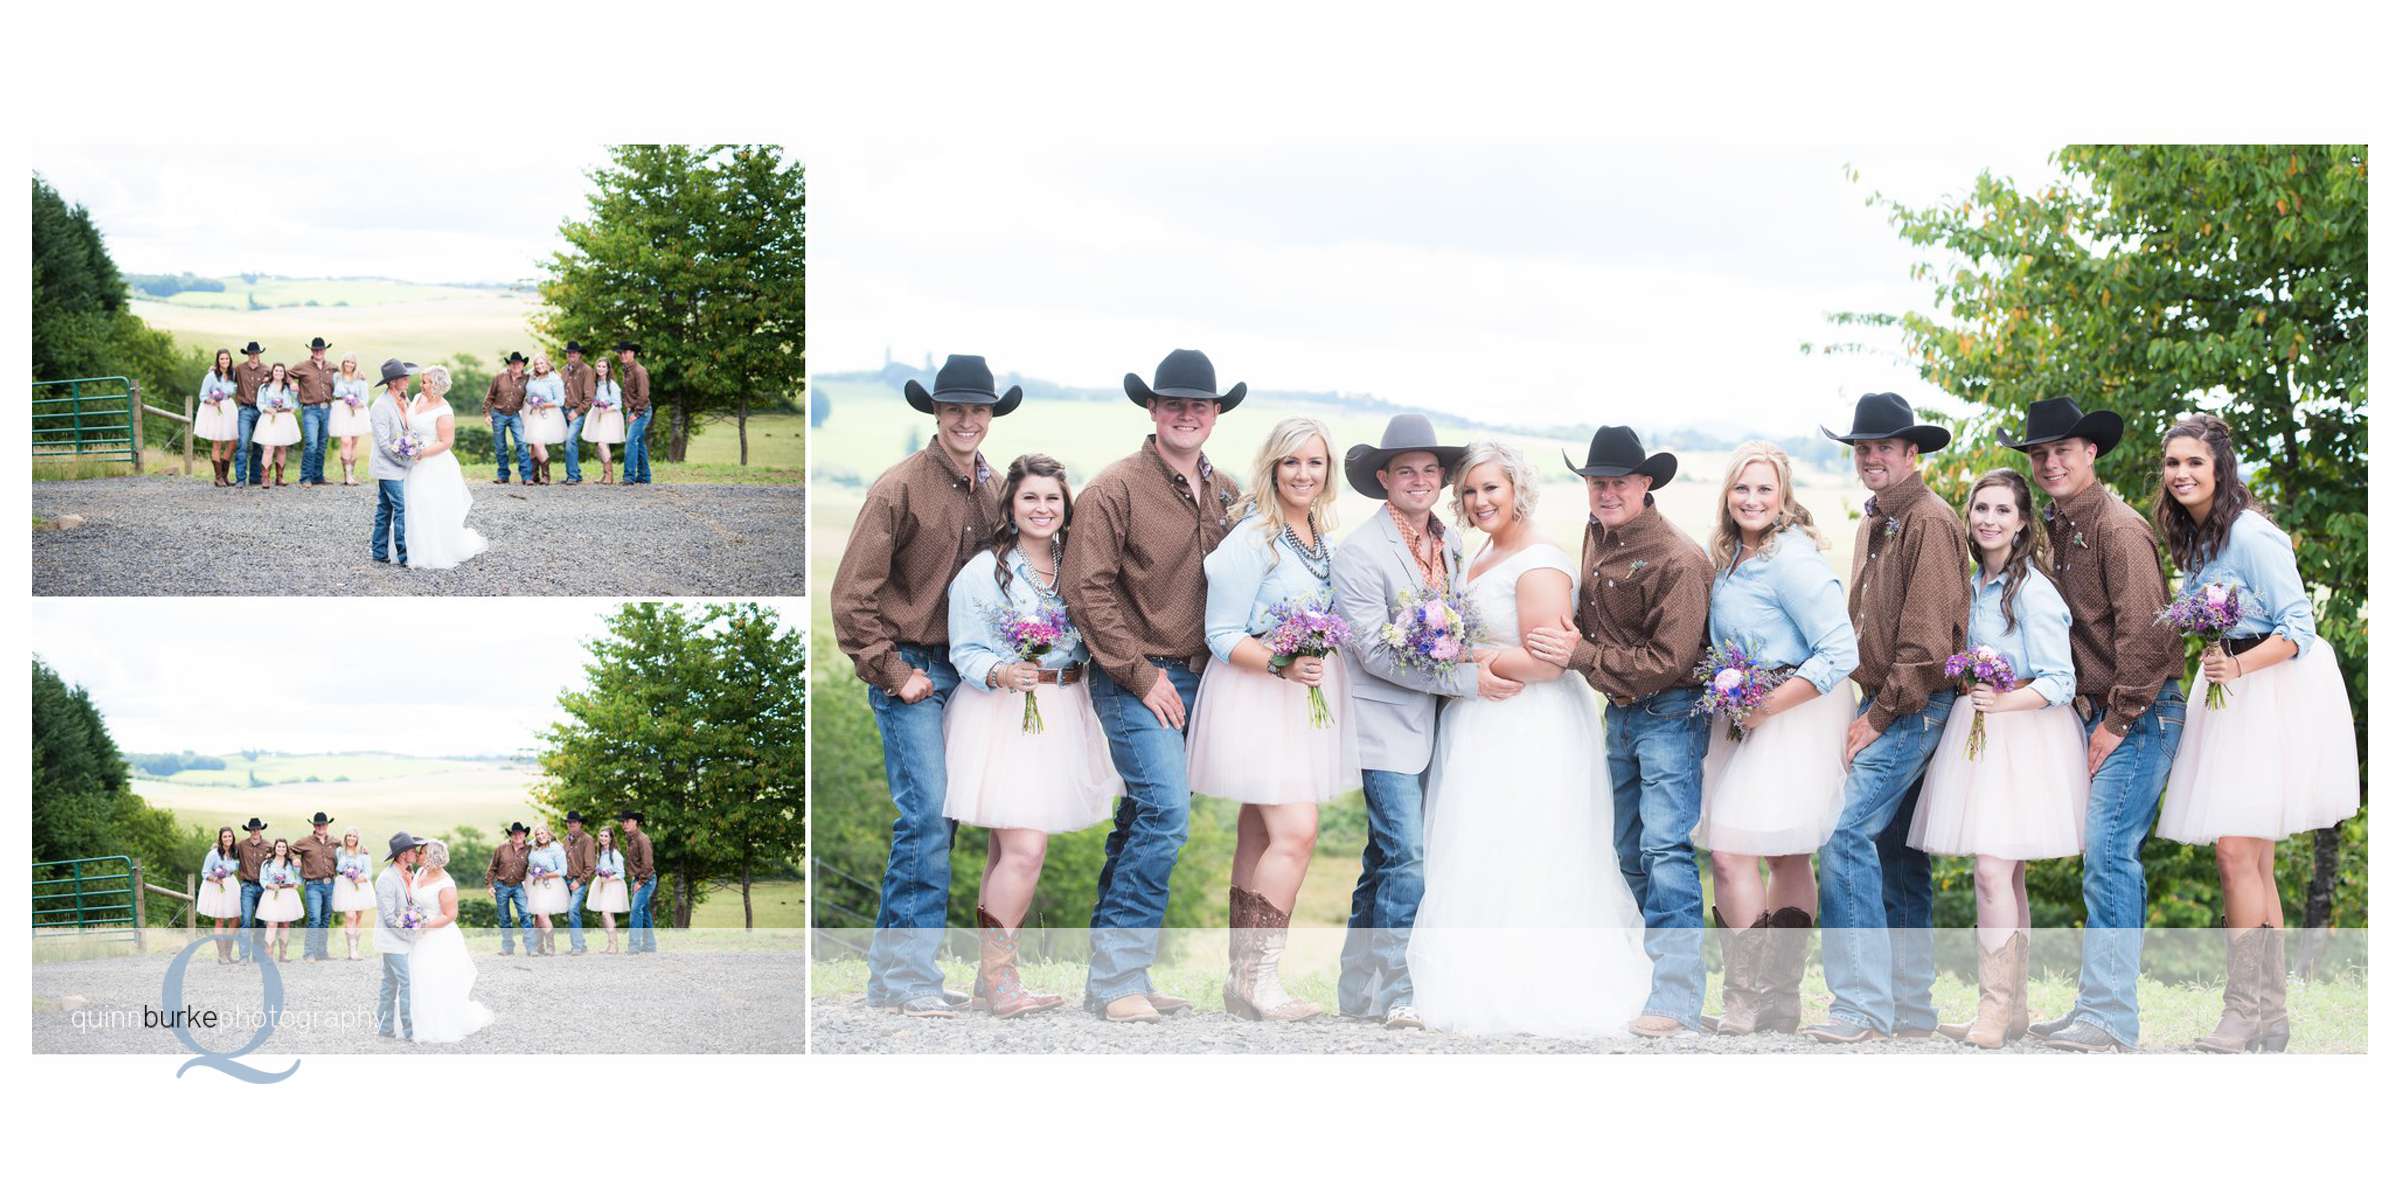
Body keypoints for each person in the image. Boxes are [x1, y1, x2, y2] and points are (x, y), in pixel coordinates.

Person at [1407, 441, 1652, 1036]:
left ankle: (1537, 983)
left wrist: (1463, 652)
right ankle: (1473, 978)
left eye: (1491, 487)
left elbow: (1547, 663)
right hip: (1480, 719)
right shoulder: (1479, 554)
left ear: (1517, 489)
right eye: (1468, 490)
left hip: (1529, 725)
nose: (1479, 500)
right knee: (1478, 842)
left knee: (1530, 843)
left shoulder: (1539, 561)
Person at [2151, 412, 2359, 1053]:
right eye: (2172, 463)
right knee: (2255, 860)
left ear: (2219, 468)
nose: (2181, 474)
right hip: (2230, 689)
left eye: (2193, 462)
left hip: (2269, 689)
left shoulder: (2252, 534)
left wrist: (2237, 663)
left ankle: (2241, 1013)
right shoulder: (2198, 537)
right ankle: (2271, 1017)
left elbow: (2299, 627)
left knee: (2235, 852)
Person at [1061, 348, 1247, 1023]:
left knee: (1143, 819)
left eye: (1200, 403)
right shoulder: (1115, 488)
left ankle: (1115, 973)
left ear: (1216, 414)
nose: (1187, 413)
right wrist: (1140, 676)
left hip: (1205, 681)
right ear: (1152, 409)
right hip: (1137, 678)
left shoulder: (1227, 492)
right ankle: (1117, 982)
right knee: (1166, 818)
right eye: (1174, 402)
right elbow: (1087, 591)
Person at [828, 354, 1012, 1015]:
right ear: (935, 413)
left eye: (979, 409)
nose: (968, 420)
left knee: (952, 819)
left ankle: (904, 973)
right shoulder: (898, 488)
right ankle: (904, 980)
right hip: (911, 670)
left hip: (969, 675)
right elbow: (851, 596)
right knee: (926, 817)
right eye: (955, 408)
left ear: (991, 416)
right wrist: (894, 673)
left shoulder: (995, 488)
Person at [2003, 397, 2187, 1053]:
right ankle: (2096, 1006)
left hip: (2140, 712)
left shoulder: (2117, 528)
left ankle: (2111, 1018)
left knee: (2110, 854)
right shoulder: (2052, 524)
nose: (2050, 462)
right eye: (2039, 453)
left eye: (2063, 450)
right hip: (2100, 711)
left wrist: (2115, 720)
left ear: (2091, 453)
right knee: (2101, 855)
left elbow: (2148, 634)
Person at [1524, 426, 1712, 1038]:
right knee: (1626, 851)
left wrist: (1580, 655)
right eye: (1596, 482)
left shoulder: (1678, 559)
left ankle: (1678, 998)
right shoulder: (1595, 535)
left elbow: (1669, 662)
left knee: (1665, 851)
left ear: (1646, 484)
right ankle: (1637, 978)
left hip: (1670, 715)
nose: (1606, 492)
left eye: (1618, 482)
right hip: (1622, 715)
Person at [1801, 393, 1971, 1044]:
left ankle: (1861, 1008)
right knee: (1896, 855)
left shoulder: (1928, 519)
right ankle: (1908, 1009)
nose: (1870, 456)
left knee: (1845, 836)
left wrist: (1877, 717)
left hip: (1913, 706)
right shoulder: (1877, 522)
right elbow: (1861, 621)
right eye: (1861, 447)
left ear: (1912, 453)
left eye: (1883, 447)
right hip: (1889, 700)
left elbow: (1927, 644)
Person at [1189, 416, 1361, 1022]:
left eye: (1315, 463)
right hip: (1258, 695)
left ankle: (1242, 982)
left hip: (1304, 700)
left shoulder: (1322, 538)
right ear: (1272, 469)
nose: (1304, 474)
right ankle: (1261, 980)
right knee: (1297, 830)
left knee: (1261, 834)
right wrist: (1282, 665)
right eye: (1292, 462)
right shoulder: (1251, 540)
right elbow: (1220, 633)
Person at [1907, 468, 2085, 1047]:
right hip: (1979, 733)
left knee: (1991, 868)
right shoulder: (1970, 584)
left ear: (2023, 521)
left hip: (2026, 735)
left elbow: (2061, 680)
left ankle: (1994, 1009)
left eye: (2003, 510)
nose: (1988, 519)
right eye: (1980, 508)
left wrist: (2003, 699)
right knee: (2004, 873)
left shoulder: (2034, 592)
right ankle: (2013, 1011)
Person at [942, 453, 1121, 1017]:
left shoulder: (1079, 564)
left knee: (1006, 849)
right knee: (1025, 846)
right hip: (1003, 712)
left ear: (1066, 506)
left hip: (1065, 709)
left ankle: (987, 981)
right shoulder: (985, 571)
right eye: (1030, 498)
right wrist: (1000, 671)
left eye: (1052, 498)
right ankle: (1002, 981)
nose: (1042, 508)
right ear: (1011, 506)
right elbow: (965, 648)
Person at [1329, 415, 1490, 1031]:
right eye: (1406, 471)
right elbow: (1374, 652)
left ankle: (1354, 988)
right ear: (1383, 478)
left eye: (1429, 470)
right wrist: (1468, 681)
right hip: (1384, 725)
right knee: (1407, 857)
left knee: (1384, 859)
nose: (1419, 481)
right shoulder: (1361, 552)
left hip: (1440, 725)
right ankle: (1400, 991)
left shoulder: (1448, 543)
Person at [1691, 441, 1857, 1036]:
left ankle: (1758, 997)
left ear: (1784, 497)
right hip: (1742, 716)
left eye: (1764, 489)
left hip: (1792, 713)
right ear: (1726, 495)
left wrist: (1766, 706)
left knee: (1739, 849)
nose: (1752, 499)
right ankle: (1769, 1002)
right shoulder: (1731, 555)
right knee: (1768, 851)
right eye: (1742, 488)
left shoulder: (1794, 560)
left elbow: (1841, 651)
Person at [401, 364, 491, 569]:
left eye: (425, 382)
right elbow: (409, 424)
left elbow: (446, 442)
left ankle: (431, 551)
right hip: (412, 460)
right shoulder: (416, 398)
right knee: (410, 502)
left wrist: (420, 453)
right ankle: (408, 547)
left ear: (436, 385)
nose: (421, 385)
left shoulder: (444, 411)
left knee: (428, 503)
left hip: (433, 463)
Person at [407, 839, 496, 1044]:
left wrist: (424, 926)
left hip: (438, 936)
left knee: (434, 977)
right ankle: (413, 1019)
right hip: (417, 933)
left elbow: (450, 915)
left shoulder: (446, 884)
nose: (418, 855)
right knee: (415, 975)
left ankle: (436, 1022)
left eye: (422, 853)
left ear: (431, 859)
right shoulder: (420, 873)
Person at [374, 832, 427, 1040]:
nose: (416, 853)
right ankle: (410, 1030)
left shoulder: (407, 873)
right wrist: (410, 934)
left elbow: (408, 906)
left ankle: (385, 1028)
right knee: (407, 983)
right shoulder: (386, 879)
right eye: (413, 850)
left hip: (400, 940)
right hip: (393, 941)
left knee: (390, 984)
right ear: (404, 854)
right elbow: (388, 917)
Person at [368, 360, 417, 567]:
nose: (407, 379)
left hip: (399, 464)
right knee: (402, 507)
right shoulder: (380, 406)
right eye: (403, 377)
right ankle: (405, 555)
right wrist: (406, 462)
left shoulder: (404, 400)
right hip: (388, 467)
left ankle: (379, 552)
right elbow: (384, 443)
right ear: (392, 382)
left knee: (385, 508)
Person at [288, 336, 337, 485]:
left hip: (327, 409)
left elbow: (347, 374)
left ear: (325, 350)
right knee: (311, 444)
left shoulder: (332, 367)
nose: (318, 352)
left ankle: (318, 476)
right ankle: (305, 477)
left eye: (321, 349)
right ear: (311, 350)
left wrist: (359, 375)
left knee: (322, 444)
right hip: (310, 410)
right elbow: (286, 373)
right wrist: (291, 383)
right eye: (315, 349)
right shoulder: (303, 366)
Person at [294, 811, 340, 962]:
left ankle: (321, 952)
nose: (321, 827)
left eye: (323, 824)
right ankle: (309, 953)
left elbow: (349, 848)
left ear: (327, 825)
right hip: (313, 885)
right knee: (314, 918)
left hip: (330, 884)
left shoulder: (335, 841)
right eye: (318, 824)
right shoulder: (305, 841)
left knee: (325, 919)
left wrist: (362, 851)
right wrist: (295, 858)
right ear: (314, 826)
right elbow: (287, 849)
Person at [484, 351, 533, 484]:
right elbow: (490, 396)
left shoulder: (528, 379)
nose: (516, 365)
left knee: (521, 444)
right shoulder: (499, 377)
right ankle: (503, 475)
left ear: (523, 364)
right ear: (510, 365)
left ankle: (527, 476)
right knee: (500, 446)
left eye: (518, 363)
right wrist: (486, 414)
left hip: (515, 415)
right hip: (498, 414)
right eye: (513, 363)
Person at [487, 821, 535, 956]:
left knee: (525, 915)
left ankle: (531, 947)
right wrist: (489, 885)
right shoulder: (501, 848)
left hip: (519, 886)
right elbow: (492, 868)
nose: (517, 835)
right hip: (501, 886)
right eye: (514, 833)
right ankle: (507, 947)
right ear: (511, 835)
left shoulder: (529, 850)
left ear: (525, 834)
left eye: (520, 833)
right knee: (504, 918)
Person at [195, 348, 241, 487]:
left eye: (227, 358)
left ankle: (225, 475)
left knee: (233, 442)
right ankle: (218, 477)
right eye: (222, 359)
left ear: (230, 360)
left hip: (229, 407)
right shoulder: (211, 376)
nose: (225, 361)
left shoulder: (233, 374)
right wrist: (212, 401)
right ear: (218, 360)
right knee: (217, 443)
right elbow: (202, 395)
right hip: (215, 409)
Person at [197, 826, 243, 963]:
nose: (228, 839)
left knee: (235, 919)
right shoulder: (213, 854)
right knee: (220, 920)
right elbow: (204, 872)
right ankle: (221, 955)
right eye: (225, 836)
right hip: (218, 886)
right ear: (220, 838)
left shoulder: (235, 852)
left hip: (232, 885)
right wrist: (216, 879)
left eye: (230, 836)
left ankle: (228, 953)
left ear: (233, 838)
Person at [251, 363, 301, 487]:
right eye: (276, 370)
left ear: (284, 374)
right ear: (272, 372)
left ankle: (280, 477)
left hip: (284, 418)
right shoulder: (264, 387)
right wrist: (268, 410)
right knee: (268, 447)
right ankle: (265, 478)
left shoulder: (288, 388)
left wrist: (293, 408)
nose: (278, 373)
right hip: (269, 417)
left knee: (282, 448)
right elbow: (259, 403)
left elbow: (298, 399)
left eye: (281, 371)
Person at [326, 354, 374, 485]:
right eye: (346, 362)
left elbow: (365, 399)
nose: (349, 364)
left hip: (356, 411)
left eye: (352, 362)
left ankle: (351, 475)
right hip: (340, 410)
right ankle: (347, 475)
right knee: (345, 441)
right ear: (343, 363)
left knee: (353, 443)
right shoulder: (337, 376)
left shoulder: (360, 379)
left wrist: (355, 404)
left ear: (355, 364)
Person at [331, 827, 377, 961]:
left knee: (357, 918)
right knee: (350, 916)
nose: (351, 838)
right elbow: (337, 867)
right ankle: (351, 951)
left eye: (354, 836)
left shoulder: (363, 854)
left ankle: (355, 948)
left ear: (357, 839)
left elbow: (368, 872)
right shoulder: (339, 851)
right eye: (348, 836)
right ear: (345, 838)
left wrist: (359, 878)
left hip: (359, 886)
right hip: (344, 886)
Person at [255, 838, 304, 962]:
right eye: (279, 846)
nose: (281, 849)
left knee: (285, 924)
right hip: (272, 894)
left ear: (286, 849)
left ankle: (283, 954)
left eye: (283, 847)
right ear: (275, 848)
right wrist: (270, 885)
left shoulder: (290, 863)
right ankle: (269, 955)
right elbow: (263, 879)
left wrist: (296, 883)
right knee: (272, 924)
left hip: (287, 894)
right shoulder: (267, 863)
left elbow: (300, 876)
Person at [521, 352, 566, 484]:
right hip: (531, 413)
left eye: (541, 363)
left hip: (547, 415)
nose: (539, 366)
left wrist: (542, 404)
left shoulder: (555, 379)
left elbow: (560, 401)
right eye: (536, 364)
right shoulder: (531, 377)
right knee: (533, 445)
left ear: (547, 363)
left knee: (538, 443)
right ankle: (534, 475)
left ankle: (546, 475)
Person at [524, 825, 570, 955]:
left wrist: (545, 875)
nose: (540, 836)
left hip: (549, 884)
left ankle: (551, 946)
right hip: (534, 883)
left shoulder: (556, 848)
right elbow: (519, 846)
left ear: (548, 833)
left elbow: (563, 871)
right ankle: (539, 946)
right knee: (537, 915)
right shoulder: (533, 845)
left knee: (543, 914)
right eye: (537, 834)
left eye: (542, 833)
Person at [581, 357, 626, 483]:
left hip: (609, 416)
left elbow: (618, 404)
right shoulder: (595, 383)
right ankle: (604, 474)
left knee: (602, 443)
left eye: (603, 367)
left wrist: (606, 409)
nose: (600, 369)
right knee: (599, 445)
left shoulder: (612, 385)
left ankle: (610, 475)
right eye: (599, 366)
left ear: (608, 369)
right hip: (597, 415)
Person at [234, 817, 273, 960]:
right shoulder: (242, 845)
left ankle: (258, 955)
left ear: (261, 829)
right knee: (245, 920)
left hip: (263, 888)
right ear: (249, 830)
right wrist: (215, 847)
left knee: (261, 921)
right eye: (253, 829)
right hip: (247, 886)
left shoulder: (269, 846)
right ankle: (244, 955)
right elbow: (228, 850)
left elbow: (279, 860)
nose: (255, 831)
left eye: (257, 828)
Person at [587, 827, 630, 954]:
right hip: (603, 885)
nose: (603, 838)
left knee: (606, 914)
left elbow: (621, 873)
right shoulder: (601, 853)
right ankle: (610, 944)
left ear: (611, 838)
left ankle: (614, 945)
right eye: (601, 836)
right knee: (606, 915)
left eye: (606, 836)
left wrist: (609, 878)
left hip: (613, 886)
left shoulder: (615, 854)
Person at [621, 811, 658, 954]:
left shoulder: (643, 839)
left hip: (646, 879)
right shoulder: (629, 838)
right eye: (623, 822)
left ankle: (634, 946)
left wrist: (640, 882)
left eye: (627, 821)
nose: (624, 824)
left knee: (636, 910)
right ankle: (650, 945)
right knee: (644, 912)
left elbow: (648, 864)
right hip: (637, 879)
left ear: (635, 822)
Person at [559, 341, 596, 485]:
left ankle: (573, 476)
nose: (571, 355)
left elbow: (589, 397)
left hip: (576, 411)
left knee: (570, 440)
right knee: (567, 442)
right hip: (563, 410)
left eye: (574, 353)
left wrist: (577, 411)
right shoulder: (563, 370)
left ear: (579, 354)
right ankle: (573, 474)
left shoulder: (587, 370)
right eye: (569, 353)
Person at [617, 341, 653, 484]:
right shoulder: (626, 370)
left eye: (625, 352)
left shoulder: (639, 371)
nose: (622, 355)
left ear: (632, 353)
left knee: (631, 441)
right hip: (631, 410)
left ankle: (629, 477)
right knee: (639, 442)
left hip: (641, 411)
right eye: (620, 353)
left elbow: (643, 396)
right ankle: (644, 476)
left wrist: (636, 413)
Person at [233, 340, 268, 486]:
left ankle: (255, 477)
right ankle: (241, 478)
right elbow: (225, 372)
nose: (254, 355)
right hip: (245, 409)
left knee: (258, 444)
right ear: (248, 354)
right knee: (242, 443)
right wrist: (213, 369)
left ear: (259, 353)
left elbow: (278, 380)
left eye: (256, 353)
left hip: (260, 410)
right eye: (251, 353)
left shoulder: (267, 369)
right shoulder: (240, 369)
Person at [560, 811, 595, 954]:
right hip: (566, 880)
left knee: (573, 910)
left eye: (574, 822)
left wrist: (579, 882)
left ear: (580, 823)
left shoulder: (587, 839)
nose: (571, 825)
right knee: (571, 913)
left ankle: (578, 946)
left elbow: (590, 866)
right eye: (569, 822)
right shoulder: (565, 840)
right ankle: (580, 944)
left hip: (579, 880)